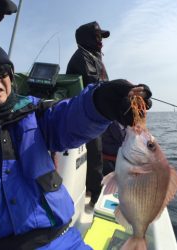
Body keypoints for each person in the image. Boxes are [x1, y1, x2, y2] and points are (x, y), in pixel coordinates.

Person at [0, 1, 152, 249]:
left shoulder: (35, 113)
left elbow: (71, 117)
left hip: (62, 241)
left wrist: (100, 102)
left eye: (2, 70)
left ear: (11, 77)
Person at [66, 21, 110, 206]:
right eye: (98, 37)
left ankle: (98, 183)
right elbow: (96, 87)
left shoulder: (93, 55)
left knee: (100, 151)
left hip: (94, 112)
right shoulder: (83, 57)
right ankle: (95, 192)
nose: (101, 41)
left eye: (101, 37)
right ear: (88, 38)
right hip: (85, 116)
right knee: (95, 152)